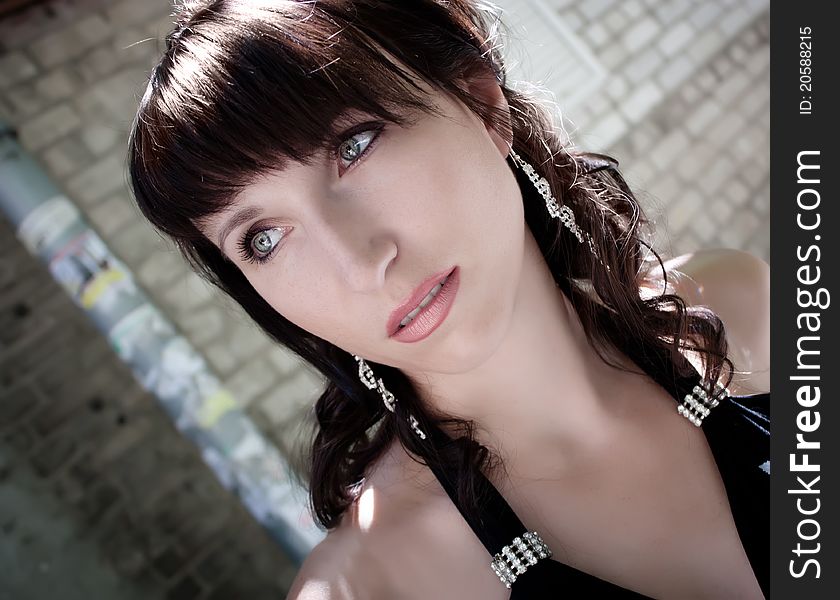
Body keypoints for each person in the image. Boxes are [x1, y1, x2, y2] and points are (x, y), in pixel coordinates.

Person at [127, 1, 770, 598]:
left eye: (354, 147)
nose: (360, 265)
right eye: (263, 239)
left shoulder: (743, 310)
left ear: (482, 106)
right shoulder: (368, 587)